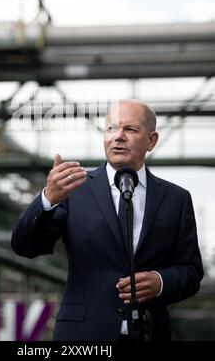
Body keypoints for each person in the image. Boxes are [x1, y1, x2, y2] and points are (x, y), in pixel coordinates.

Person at [11, 99, 203, 341]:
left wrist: (160, 281)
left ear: (151, 140)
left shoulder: (177, 199)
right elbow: (25, 246)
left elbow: (192, 272)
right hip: (83, 337)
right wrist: (47, 199)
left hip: (150, 333)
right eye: (111, 128)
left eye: (130, 129)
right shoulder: (74, 190)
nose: (118, 136)